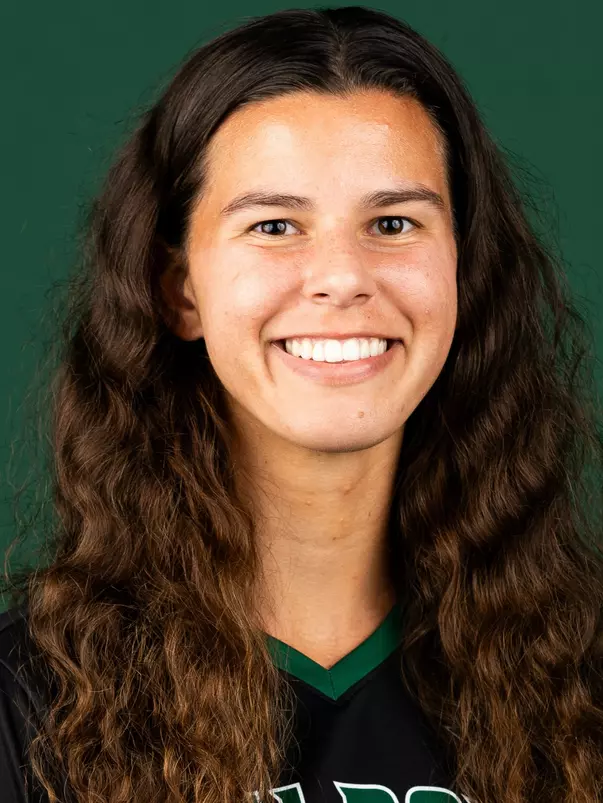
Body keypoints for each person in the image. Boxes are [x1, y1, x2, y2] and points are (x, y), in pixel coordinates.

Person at [1, 6, 603, 803]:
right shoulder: (29, 698)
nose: (342, 276)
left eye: (392, 222)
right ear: (179, 287)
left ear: (461, 271)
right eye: (275, 225)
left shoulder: (579, 675)